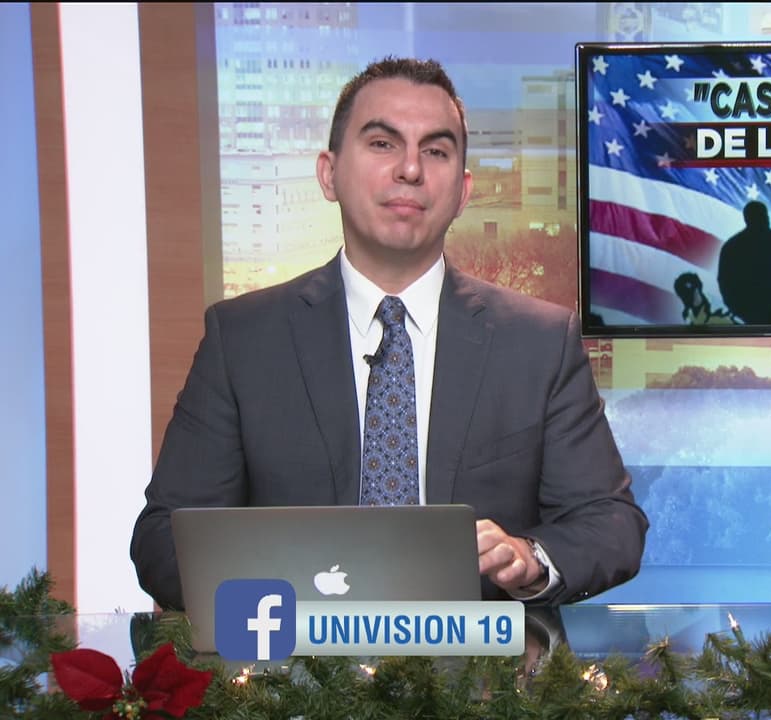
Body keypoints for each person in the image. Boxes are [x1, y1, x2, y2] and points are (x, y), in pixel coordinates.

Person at [131, 57, 648, 611]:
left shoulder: (539, 343)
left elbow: (611, 523)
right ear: (329, 173)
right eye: (382, 144)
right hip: (294, 659)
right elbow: (164, 539)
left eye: (436, 151)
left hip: (483, 663)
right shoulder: (243, 340)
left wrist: (529, 558)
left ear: (463, 191)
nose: (410, 169)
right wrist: (291, 592)